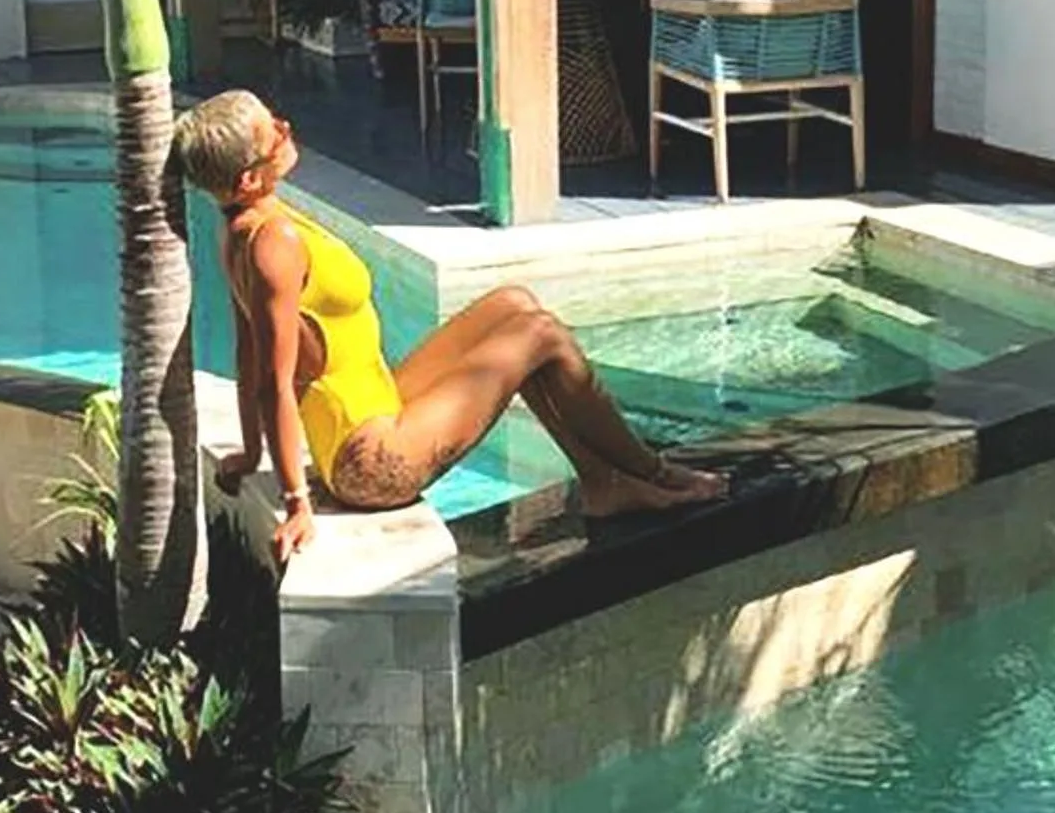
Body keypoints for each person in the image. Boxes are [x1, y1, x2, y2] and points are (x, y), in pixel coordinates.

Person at [171, 89, 726, 561]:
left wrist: (249, 452)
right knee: (541, 335)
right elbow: (272, 380)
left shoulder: (245, 228)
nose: (288, 128)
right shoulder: (276, 245)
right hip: (371, 461)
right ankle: (655, 473)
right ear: (248, 178)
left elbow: (247, 351)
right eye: (275, 133)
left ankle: (603, 481)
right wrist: (297, 501)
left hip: (375, 408)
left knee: (513, 303)